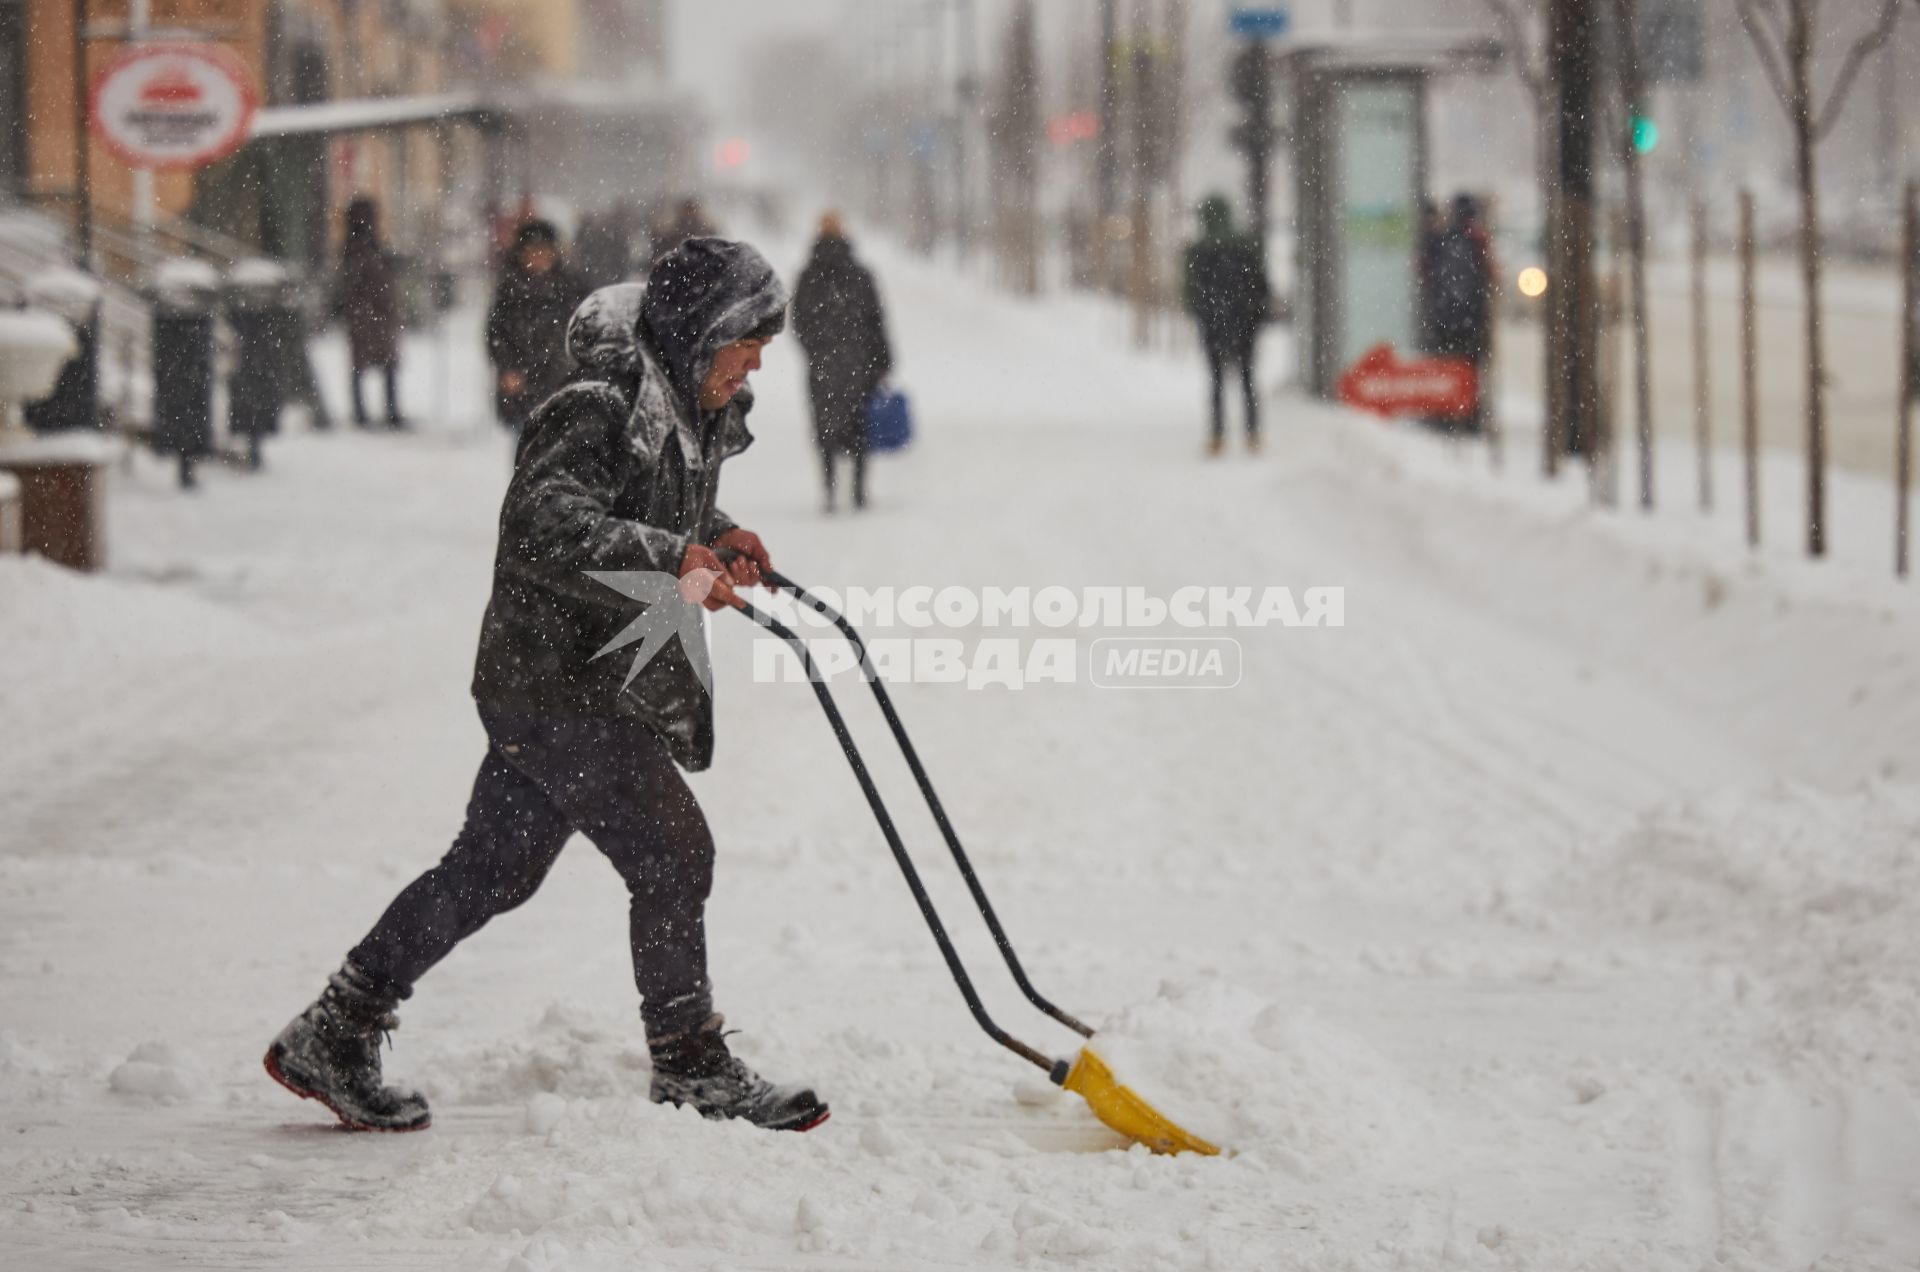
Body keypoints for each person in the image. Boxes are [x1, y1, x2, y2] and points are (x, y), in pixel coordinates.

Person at [264, 238, 827, 1136]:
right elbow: (541, 521)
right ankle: (689, 1063)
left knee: (492, 870)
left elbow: (639, 508)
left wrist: (710, 536)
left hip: (577, 683)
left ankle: (336, 1029)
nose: (757, 361)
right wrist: (667, 554)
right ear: (699, 333)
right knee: (673, 853)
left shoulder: (677, 402)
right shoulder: (597, 405)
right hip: (563, 687)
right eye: (746, 342)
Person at [789, 213, 893, 512]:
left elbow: (798, 321)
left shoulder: (808, 275)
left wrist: (816, 349)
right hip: (859, 362)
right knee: (859, 424)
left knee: (825, 427)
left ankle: (829, 489)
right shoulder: (861, 274)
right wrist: (882, 358)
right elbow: (876, 319)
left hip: (823, 364)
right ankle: (859, 490)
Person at [1182, 195, 1270, 456]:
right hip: (1245, 322)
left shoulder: (1198, 251)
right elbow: (1261, 284)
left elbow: (1190, 293)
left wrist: (1202, 312)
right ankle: (1253, 433)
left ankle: (1217, 435)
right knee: (1247, 377)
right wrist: (1255, 312)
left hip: (1213, 323)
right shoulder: (1247, 244)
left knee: (1217, 380)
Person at [486, 219, 592, 433]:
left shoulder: (572, 287)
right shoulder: (510, 290)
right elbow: (496, 332)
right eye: (533, 251)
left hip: (564, 382)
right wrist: (508, 368)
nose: (539, 258)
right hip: (524, 386)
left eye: (544, 251)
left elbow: (590, 327)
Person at [1424, 193, 1498, 436]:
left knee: (1446, 364)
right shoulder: (1477, 241)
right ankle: (1468, 415)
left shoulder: (1441, 239)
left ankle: (1444, 414)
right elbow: (1492, 275)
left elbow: (1424, 272)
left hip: (1444, 318)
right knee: (1469, 367)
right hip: (1472, 319)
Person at [335, 196, 406, 429]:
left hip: (373, 317)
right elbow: (360, 283)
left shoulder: (361, 247)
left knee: (379, 366)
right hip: (369, 317)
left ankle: (378, 411)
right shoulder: (360, 248)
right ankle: (372, 413)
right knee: (371, 366)